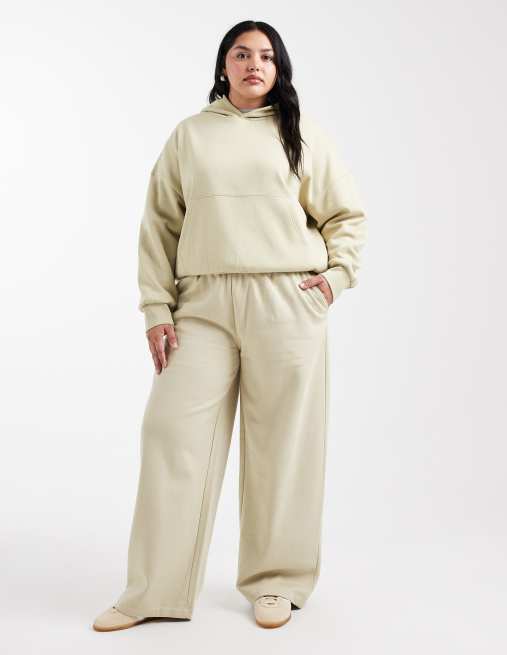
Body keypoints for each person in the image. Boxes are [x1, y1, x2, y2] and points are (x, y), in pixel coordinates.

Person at [93, 19, 367, 632]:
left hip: (287, 299)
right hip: (203, 302)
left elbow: (346, 216)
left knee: (283, 445)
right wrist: (156, 308)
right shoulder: (191, 135)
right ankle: (153, 590)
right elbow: (160, 225)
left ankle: (277, 582)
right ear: (224, 65)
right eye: (241, 54)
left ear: (279, 67)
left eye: (265, 56)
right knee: (170, 432)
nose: (253, 65)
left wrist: (335, 278)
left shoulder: (301, 134)